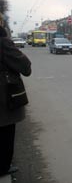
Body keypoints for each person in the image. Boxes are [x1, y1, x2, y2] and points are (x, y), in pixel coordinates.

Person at [0, 16, 32, 176]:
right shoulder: (3, 43)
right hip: (4, 101)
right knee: (5, 134)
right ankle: (3, 167)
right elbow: (26, 67)